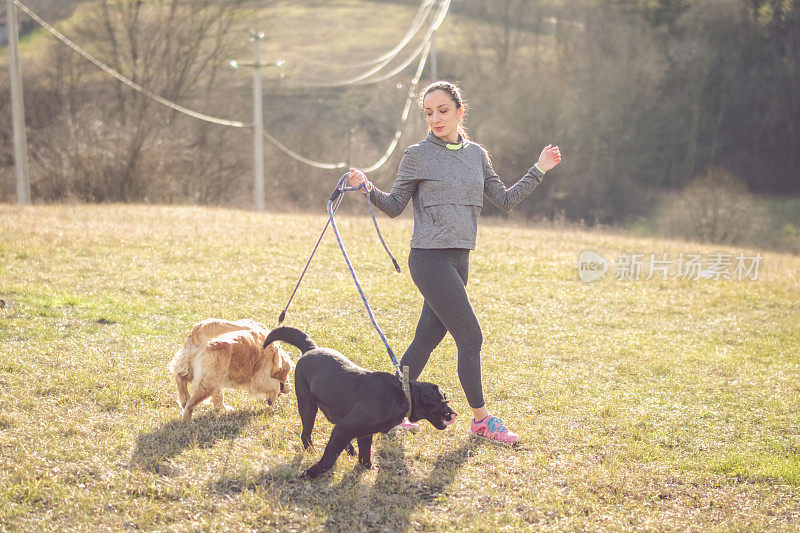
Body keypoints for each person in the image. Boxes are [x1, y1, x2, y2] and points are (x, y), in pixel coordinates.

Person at [347, 80, 561, 445]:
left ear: (461, 111)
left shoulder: (477, 154)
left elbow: (504, 199)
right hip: (429, 260)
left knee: (427, 338)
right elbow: (396, 206)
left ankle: (388, 409)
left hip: (460, 261)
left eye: (443, 110)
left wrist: (538, 169)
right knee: (470, 336)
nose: (435, 118)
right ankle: (481, 420)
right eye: (428, 113)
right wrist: (367, 186)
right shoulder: (417, 155)